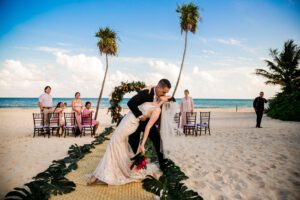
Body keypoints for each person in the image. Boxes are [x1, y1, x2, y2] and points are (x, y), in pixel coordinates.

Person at [87, 95, 173, 185]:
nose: (165, 94)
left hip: (133, 124)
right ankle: (111, 170)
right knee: (120, 144)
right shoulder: (153, 96)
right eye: (165, 93)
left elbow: (148, 126)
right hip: (129, 121)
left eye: (167, 95)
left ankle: (98, 175)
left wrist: (143, 144)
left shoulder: (157, 108)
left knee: (115, 143)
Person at [128, 79, 171, 171]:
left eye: (166, 93)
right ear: (158, 87)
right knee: (133, 142)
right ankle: (131, 164)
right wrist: (140, 115)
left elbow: (166, 102)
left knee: (157, 140)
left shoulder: (160, 95)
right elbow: (131, 103)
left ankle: (163, 165)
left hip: (148, 122)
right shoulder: (147, 92)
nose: (164, 94)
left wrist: (166, 99)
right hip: (136, 120)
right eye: (163, 92)